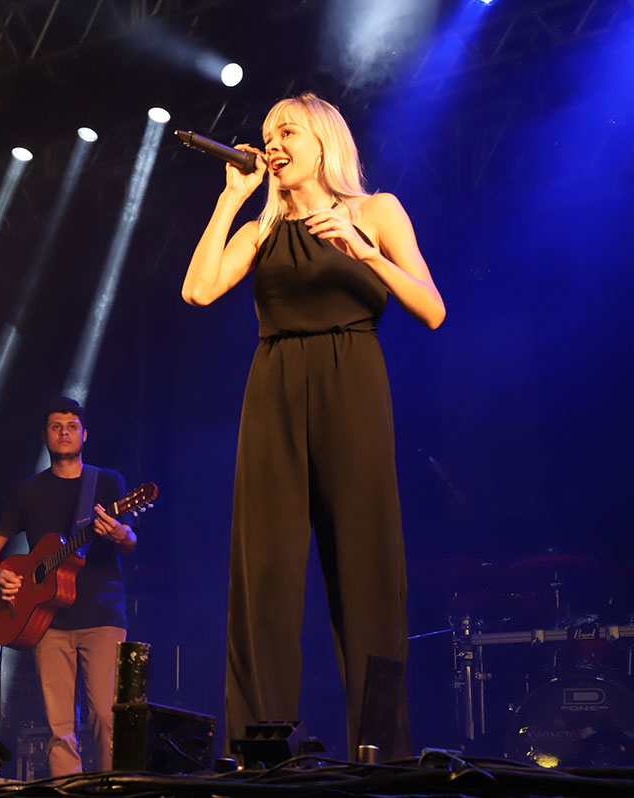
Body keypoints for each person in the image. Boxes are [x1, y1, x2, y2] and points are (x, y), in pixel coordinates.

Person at [181, 93, 445, 761]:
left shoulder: (374, 211)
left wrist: (363, 252)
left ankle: (381, 747)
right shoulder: (261, 230)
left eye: (287, 130)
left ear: (323, 141)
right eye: (268, 134)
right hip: (273, 384)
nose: (273, 143)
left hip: (352, 380)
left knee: (366, 567)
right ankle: (258, 746)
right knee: (264, 568)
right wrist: (232, 198)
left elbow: (432, 308)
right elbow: (198, 290)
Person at [0, 397, 137, 775]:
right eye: (56, 426)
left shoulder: (108, 482)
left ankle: (115, 786)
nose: (64, 432)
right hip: (47, 622)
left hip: (101, 615)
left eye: (71, 426)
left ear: (84, 434)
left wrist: (117, 532)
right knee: (59, 726)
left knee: (106, 715)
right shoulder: (27, 491)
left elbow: (131, 540)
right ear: (46, 436)